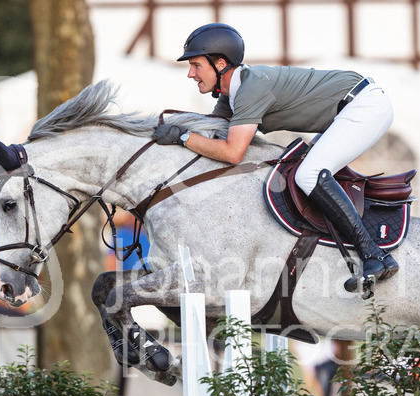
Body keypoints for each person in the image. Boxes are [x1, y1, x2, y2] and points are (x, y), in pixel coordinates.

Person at [152, 22, 398, 293]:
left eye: (196, 65)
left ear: (220, 63)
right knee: (301, 171)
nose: (190, 73)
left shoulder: (249, 89)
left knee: (309, 174)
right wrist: (170, 127)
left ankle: (375, 255)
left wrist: (183, 137)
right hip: (349, 108)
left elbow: (233, 153)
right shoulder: (232, 94)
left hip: (365, 106)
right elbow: (212, 132)